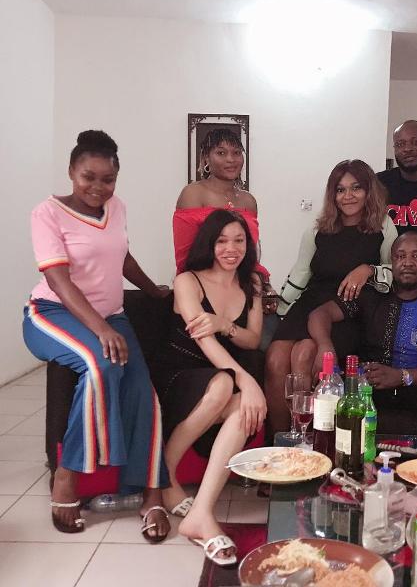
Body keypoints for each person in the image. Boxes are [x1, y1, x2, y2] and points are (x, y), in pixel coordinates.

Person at [22, 130, 171, 542]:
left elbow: (122, 256)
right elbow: (58, 279)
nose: (98, 187)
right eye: (89, 177)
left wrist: (153, 290)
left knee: (142, 388)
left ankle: (151, 492)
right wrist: (101, 328)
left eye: (108, 179)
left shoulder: (116, 208)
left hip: (111, 315)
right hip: (52, 313)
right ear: (72, 171)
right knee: (100, 362)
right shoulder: (47, 213)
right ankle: (67, 475)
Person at [157, 209, 267, 566]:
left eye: (239, 240)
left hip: (221, 374)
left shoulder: (252, 283)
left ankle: (201, 512)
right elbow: (203, 342)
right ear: (209, 243)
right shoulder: (187, 281)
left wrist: (224, 324)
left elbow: (252, 339)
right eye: (222, 241)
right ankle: (165, 476)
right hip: (180, 374)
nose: (231, 249)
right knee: (224, 386)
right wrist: (245, 380)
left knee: (241, 407)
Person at [265, 159, 397, 438]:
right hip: (310, 301)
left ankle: (308, 441)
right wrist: (278, 307)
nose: (348, 196)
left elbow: (395, 273)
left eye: (356, 188)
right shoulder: (317, 229)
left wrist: (369, 269)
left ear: (369, 190)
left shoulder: (383, 226)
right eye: (340, 189)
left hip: (348, 310)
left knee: (304, 353)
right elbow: (300, 274)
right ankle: (280, 440)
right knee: (275, 359)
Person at [308, 231, 417, 442]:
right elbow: (320, 314)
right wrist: (325, 346)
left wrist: (402, 376)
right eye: (400, 256)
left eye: (416, 255)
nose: (408, 262)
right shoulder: (372, 293)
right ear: (391, 261)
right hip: (370, 387)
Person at [173, 128, 278, 316]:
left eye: (236, 153)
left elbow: (249, 253)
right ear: (206, 158)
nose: (231, 159)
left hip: (242, 290)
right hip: (201, 292)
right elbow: (185, 257)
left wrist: (262, 283)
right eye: (221, 153)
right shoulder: (194, 193)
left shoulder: (248, 201)